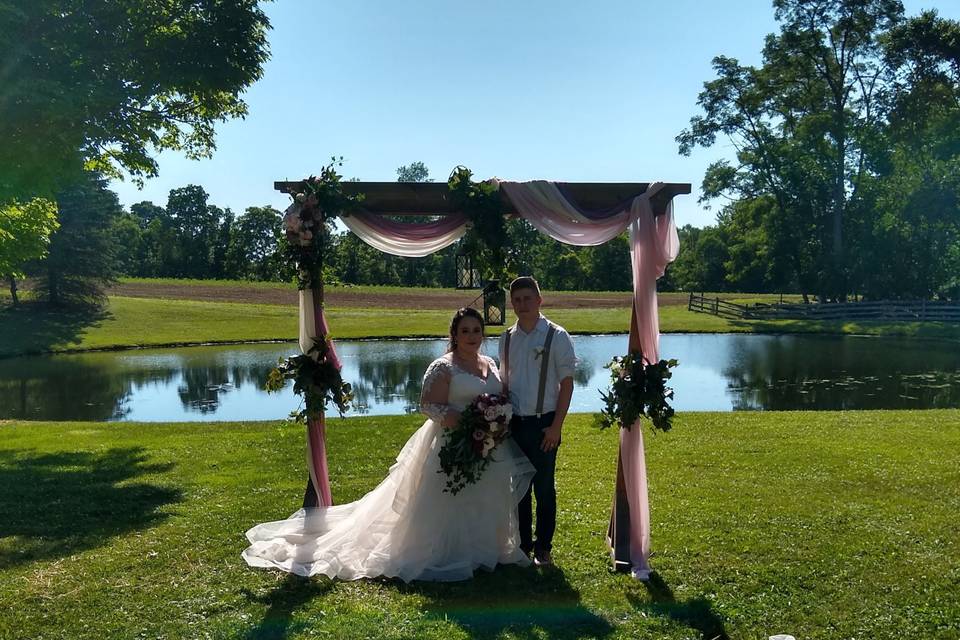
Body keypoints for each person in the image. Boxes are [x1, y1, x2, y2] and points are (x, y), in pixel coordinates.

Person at [242, 307, 534, 582]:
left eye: (476, 330)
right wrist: (469, 422)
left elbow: (497, 395)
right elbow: (428, 406)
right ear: (454, 335)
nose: (472, 336)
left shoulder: (490, 363)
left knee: (484, 495)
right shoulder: (443, 367)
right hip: (451, 443)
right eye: (465, 331)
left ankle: (484, 548)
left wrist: (493, 420)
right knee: (450, 496)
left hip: (488, 446)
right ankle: (448, 551)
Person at [499, 276, 575, 567]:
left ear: (539, 300)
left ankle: (543, 548)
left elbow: (566, 384)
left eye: (527, 298)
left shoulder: (556, 336)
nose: (522, 305)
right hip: (514, 424)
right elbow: (505, 382)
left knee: (544, 488)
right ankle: (522, 546)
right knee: (519, 488)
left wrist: (556, 426)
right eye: (517, 300)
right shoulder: (506, 338)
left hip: (545, 423)